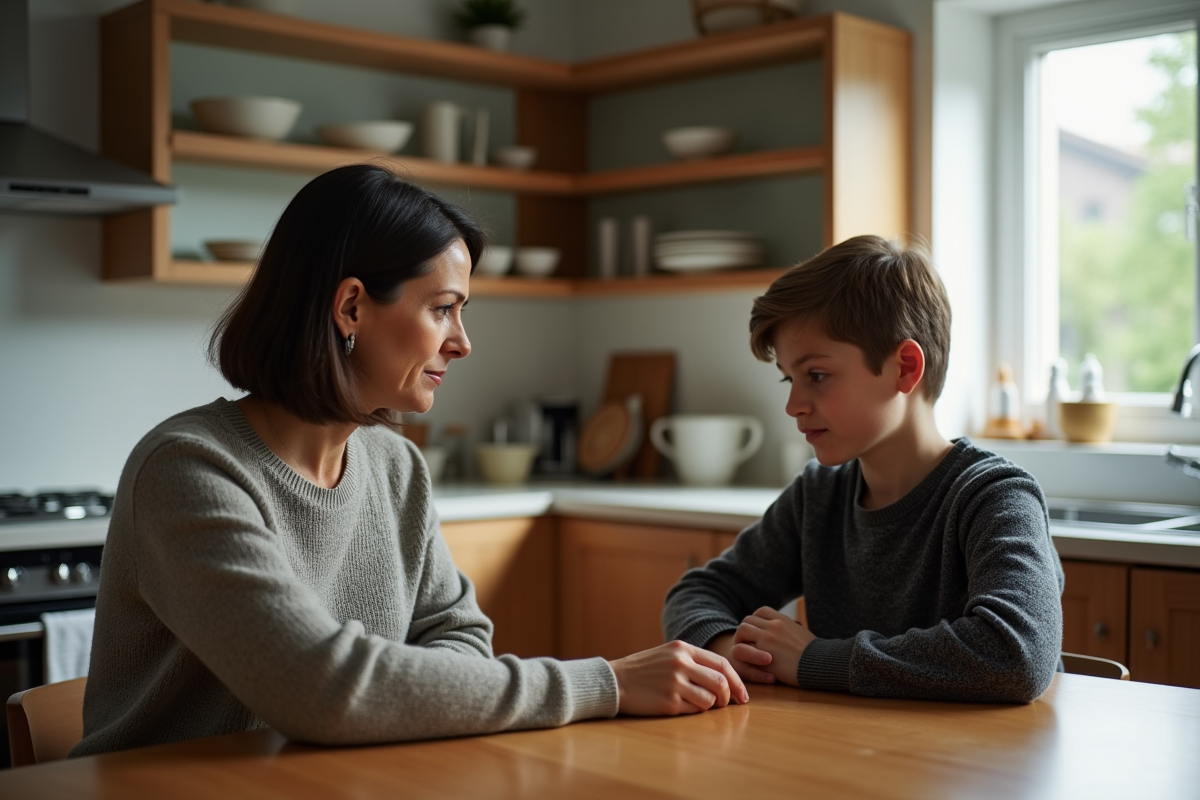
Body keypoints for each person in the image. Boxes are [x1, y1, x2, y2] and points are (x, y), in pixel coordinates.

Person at [73, 165, 745, 757]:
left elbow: (458, 639)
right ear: (351, 307)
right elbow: (321, 689)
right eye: (443, 309)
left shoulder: (395, 466)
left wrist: (379, 699)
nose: (462, 343)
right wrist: (604, 683)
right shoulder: (190, 470)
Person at [662, 235, 1064, 704]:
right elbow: (697, 592)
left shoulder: (994, 497)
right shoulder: (818, 496)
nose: (793, 405)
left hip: (984, 770)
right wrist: (733, 649)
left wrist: (816, 659)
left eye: (816, 376)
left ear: (905, 368)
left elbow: (1016, 656)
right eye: (790, 379)